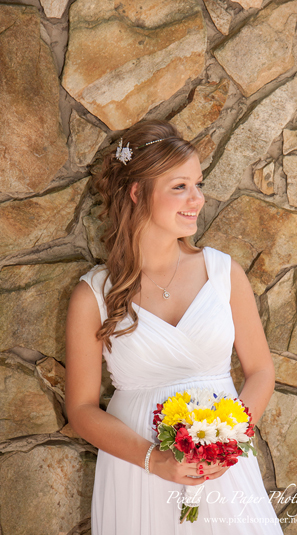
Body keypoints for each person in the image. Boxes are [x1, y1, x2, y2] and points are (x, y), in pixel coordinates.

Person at [65, 120, 282, 533]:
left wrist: (226, 442)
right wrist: (155, 459)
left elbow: (261, 372)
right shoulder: (93, 295)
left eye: (198, 184)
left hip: (222, 470)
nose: (197, 199)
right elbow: (80, 408)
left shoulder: (223, 273)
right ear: (136, 192)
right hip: (138, 473)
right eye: (180, 186)